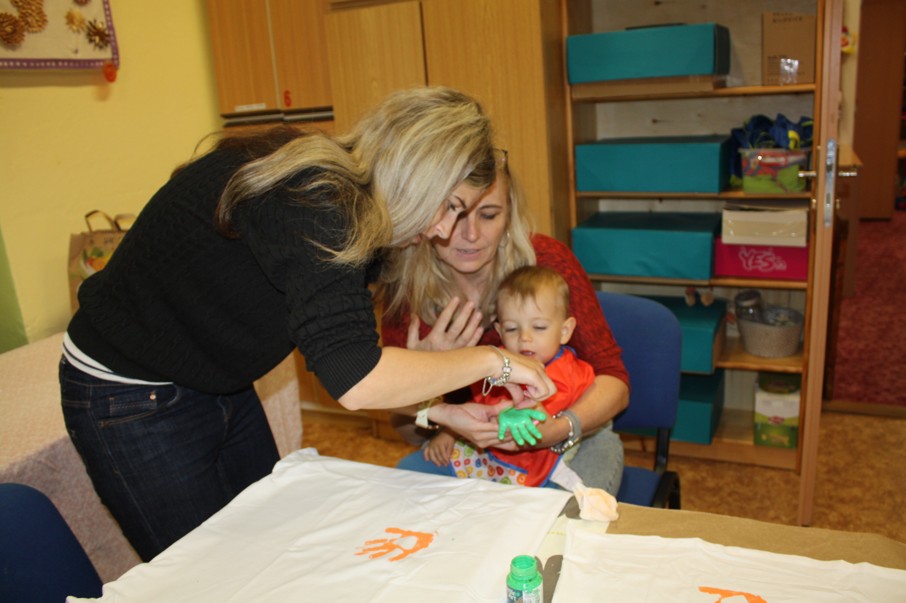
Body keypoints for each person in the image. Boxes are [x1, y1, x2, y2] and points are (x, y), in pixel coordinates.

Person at [59, 86, 556, 561]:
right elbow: (357, 379)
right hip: (128, 390)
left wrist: (441, 412)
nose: (444, 230)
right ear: (412, 174)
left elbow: (343, 354)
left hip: (215, 376)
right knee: (199, 570)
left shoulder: (362, 210)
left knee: (269, 538)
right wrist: (493, 360)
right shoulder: (318, 202)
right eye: (448, 206)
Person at [379, 158, 630, 495]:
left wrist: (560, 429)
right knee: (402, 498)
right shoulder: (405, 289)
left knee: (557, 519)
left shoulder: (548, 264)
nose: (470, 234)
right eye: (453, 212)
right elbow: (406, 429)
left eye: (488, 215)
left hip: (576, 440)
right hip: (471, 448)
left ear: (509, 216)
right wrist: (424, 380)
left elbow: (615, 383)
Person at [416, 265, 599, 489]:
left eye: (539, 327)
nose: (525, 338)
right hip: (484, 453)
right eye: (512, 329)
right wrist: (450, 431)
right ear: (500, 331)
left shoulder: (573, 373)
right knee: (414, 470)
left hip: (534, 462)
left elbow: (543, 422)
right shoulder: (493, 364)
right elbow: (473, 407)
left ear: (564, 331)